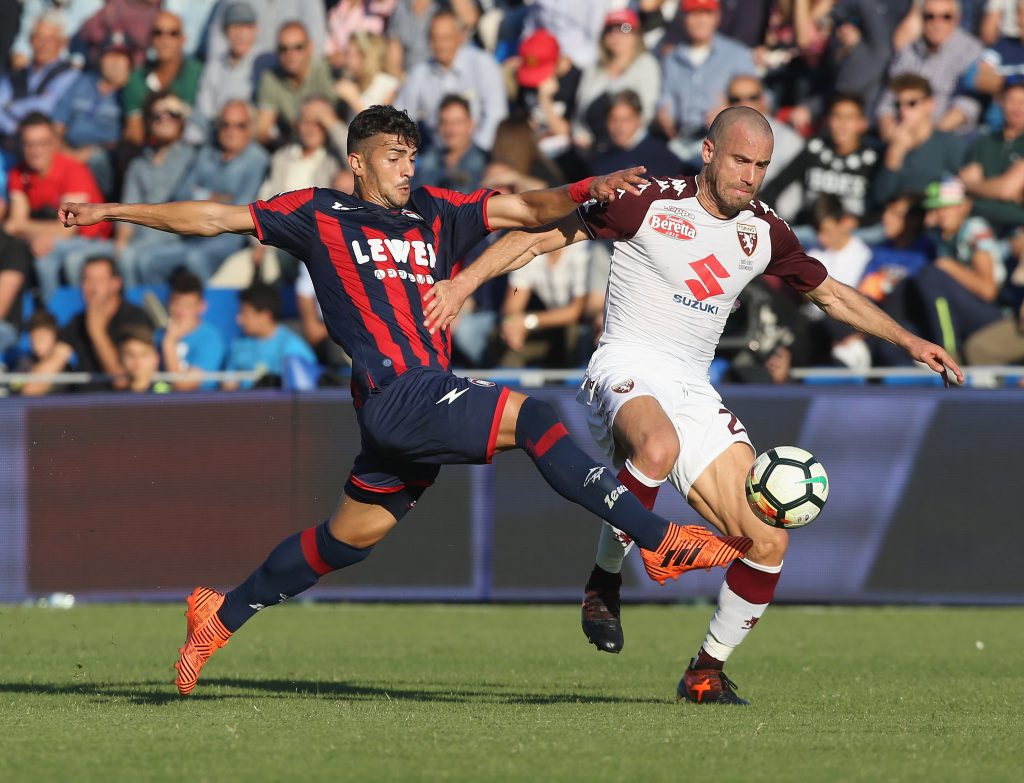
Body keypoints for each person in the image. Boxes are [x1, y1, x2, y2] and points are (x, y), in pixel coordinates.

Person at [59, 105, 752, 696]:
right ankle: (657, 541)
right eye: (394, 157)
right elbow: (212, 218)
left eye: (412, 156)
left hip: (410, 413)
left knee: (344, 540)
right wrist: (111, 210)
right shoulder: (317, 212)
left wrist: (587, 187)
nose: (407, 168)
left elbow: (526, 209)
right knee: (535, 415)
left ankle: (220, 612)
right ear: (357, 162)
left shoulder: (435, 210)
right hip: (399, 394)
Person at [422, 106, 962, 705]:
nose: (750, 177)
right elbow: (542, 235)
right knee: (658, 446)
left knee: (769, 541)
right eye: (740, 161)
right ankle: (604, 580)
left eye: (761, 166)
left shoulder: (764, 231)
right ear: (709, 152)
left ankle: (704, 671)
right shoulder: (646, 200)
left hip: (692, 388)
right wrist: (464, 283)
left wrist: (911, 341)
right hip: (624, 363)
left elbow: (830, 294)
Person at [21, 254, 153, 395]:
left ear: (116, 283)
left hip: (123, 407)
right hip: (84, 406)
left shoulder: (135, 318)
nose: (92, 288)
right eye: (87, 280)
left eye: (99, 280)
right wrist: (26, 394)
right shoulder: (77, 322)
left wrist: (97, 332)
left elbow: (122, 380)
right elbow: (55, 361)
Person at [221, 281, 317, 389]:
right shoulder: (238, 345)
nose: (238, 319)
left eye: (244, 313)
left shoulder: (294, 348)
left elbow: (305, 392)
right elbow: (228, 385)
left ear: (265, 316)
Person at [160, 271, 227, 391]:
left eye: (188, 306)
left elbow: (184, 386)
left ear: (202, 307)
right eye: (176, 304)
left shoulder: (211, 338)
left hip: (199, 404)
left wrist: (170, 341)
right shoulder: (158, 335)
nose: (181, 312)